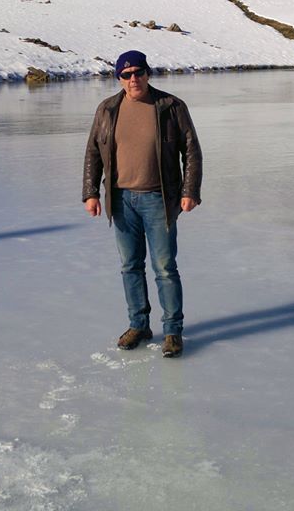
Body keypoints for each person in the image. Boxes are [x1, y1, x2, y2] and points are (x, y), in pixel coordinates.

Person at [82, 50, 202, 358]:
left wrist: (190, 190)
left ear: (147, 73)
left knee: (164, 268)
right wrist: (91, 192)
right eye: (126, 74)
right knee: (130, 266)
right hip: (121, 200)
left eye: (138, 72)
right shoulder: (107, 109)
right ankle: (139, 325)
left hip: (159, 199)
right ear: (119, 78)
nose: (133, 79)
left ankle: (172, 331)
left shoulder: (171, 106)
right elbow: (93, 152)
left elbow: (191, 150)